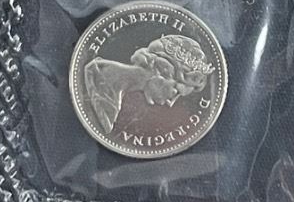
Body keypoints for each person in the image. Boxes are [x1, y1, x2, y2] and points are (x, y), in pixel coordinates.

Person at [83, 31, 211, 137]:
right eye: (175, 91)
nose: (170, 103)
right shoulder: (95, 79)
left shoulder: (112, 94)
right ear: (162, 71)